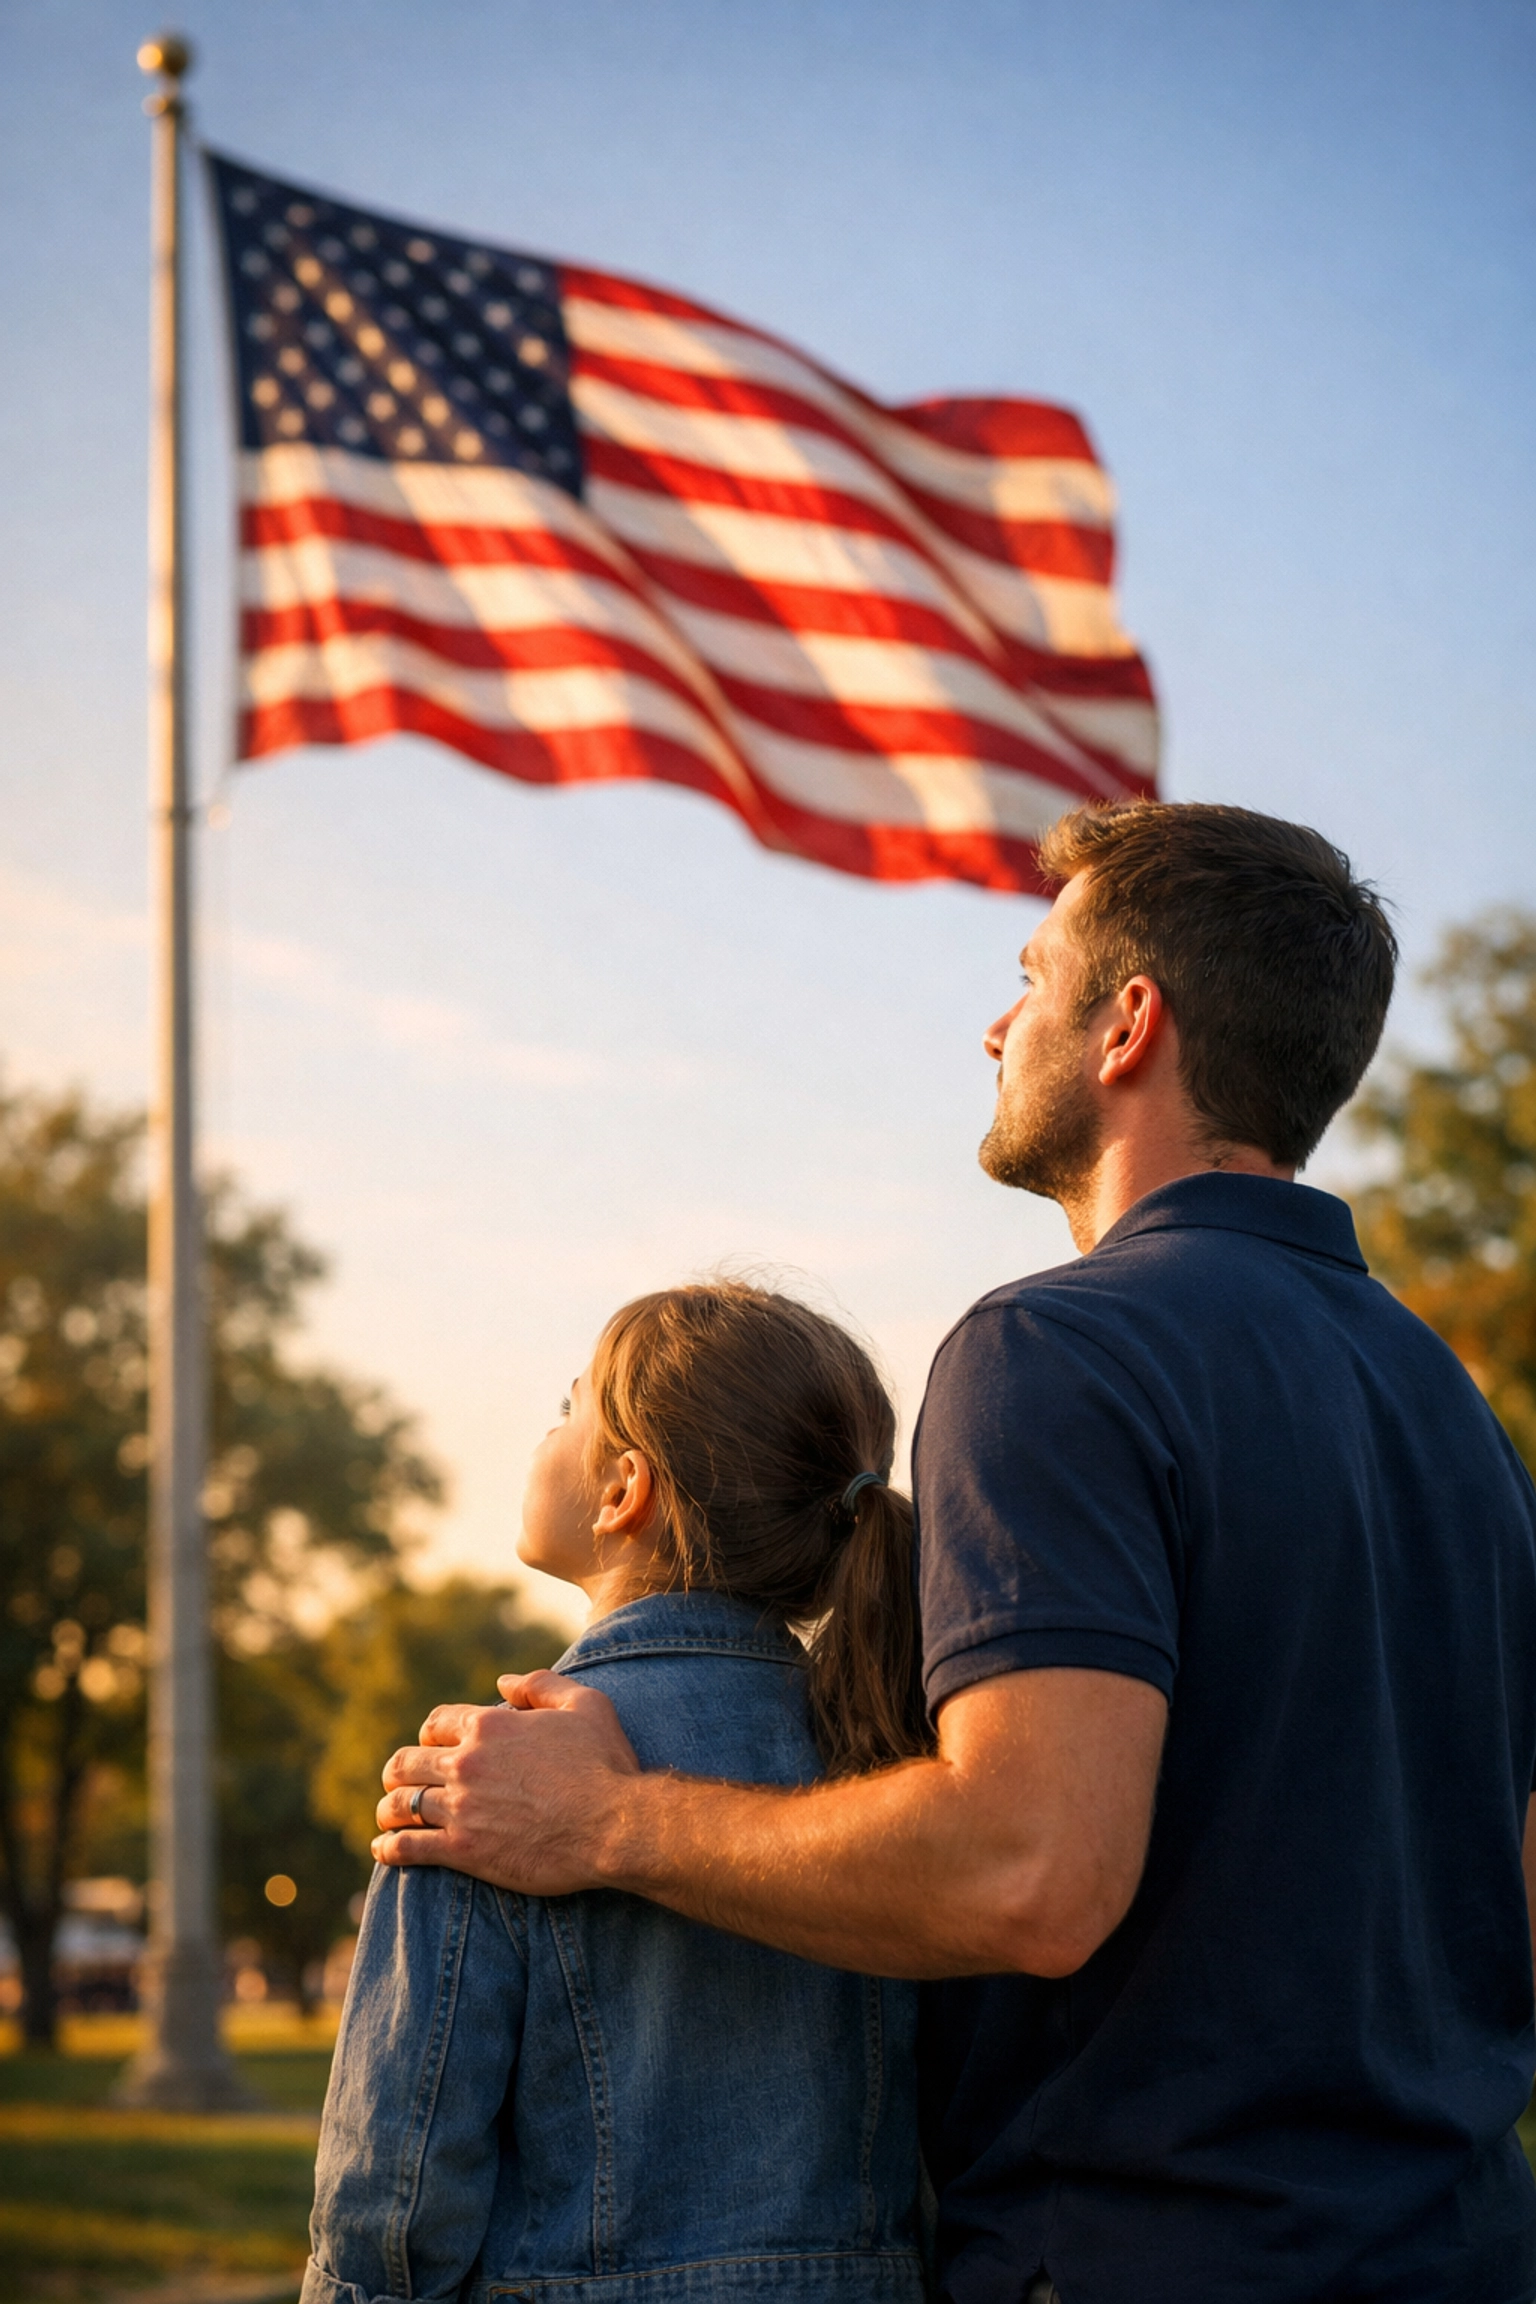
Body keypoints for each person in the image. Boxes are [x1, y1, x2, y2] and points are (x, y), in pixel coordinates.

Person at [376, 802, 1536, 2304]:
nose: (998, 1025)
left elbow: (1032, 1871)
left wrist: (604, 1822)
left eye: (1033, 977)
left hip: (1154, 2261)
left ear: (1129, 1027)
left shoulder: (1056, 1347)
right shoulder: (1453, 1405)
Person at [303, 1284, 931, 2304]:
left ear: (621, 1490)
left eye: (569, 1406)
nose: (547, 1431)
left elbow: (396, 2200)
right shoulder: (899, 1771)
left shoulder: (494, 1773)